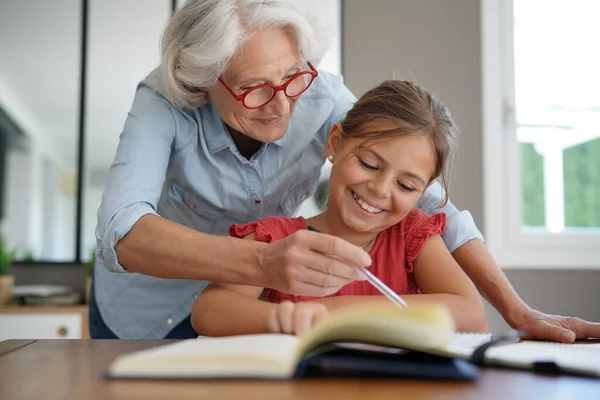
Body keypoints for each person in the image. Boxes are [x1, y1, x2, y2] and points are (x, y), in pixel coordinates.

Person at [91, 0, 600, 341]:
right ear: (204, 83)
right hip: (140, 309)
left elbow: (429, 201)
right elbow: (122, 230)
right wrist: (266, 265)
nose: (281, 106)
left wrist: (517, 310)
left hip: (250, 313)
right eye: (253, 88)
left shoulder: (323, 96)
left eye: (291, 76)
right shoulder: (165, 101)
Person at [191, 80, 489, 336]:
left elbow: (472, 314)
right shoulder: (277, 238)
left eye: (406, 186)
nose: (380, 189)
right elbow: (208, 311)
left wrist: (335, 312)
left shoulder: (413, 237)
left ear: (423, 191)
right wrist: (282, 319)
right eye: (368, 164)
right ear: (334, 143)